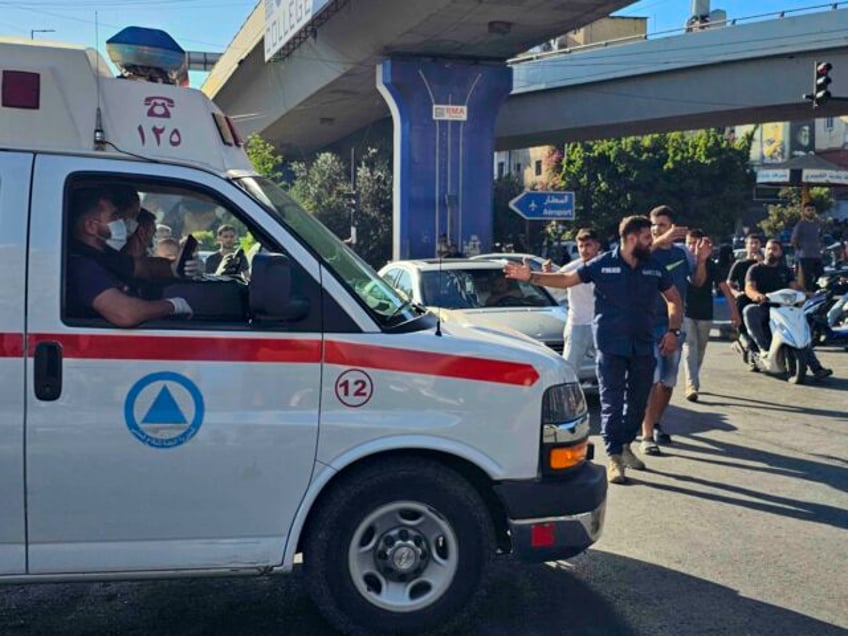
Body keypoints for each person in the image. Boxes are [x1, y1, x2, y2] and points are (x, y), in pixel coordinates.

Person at [504, 215, 683, 485]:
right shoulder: (603, 264)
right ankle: (614, 457)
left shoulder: (653, 267)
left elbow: (674, 299)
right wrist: (531, 276)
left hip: (644, 345)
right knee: (611, 402)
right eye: (647, 237)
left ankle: (625, 446)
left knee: (637, 404)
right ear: (631, 239)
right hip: (610, 346)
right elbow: (566, 280)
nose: (651, 242)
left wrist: (673, 331)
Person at [67, 187, 198, 327]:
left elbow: (144, 267)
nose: (122, 222)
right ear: (91, 226)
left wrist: (173, 267)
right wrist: (174, 305)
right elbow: (125, 313)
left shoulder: (107, 256)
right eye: (115, 217)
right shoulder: (82, 266)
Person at [640, 206, 709, 454]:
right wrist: (659, 241)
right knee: (652, 379)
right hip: (647, 324)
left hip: (673, 324)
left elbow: (698, 281)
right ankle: (646, 436)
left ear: (673, 226)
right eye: (654, 225)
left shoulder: (682, 253)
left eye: (662, 224)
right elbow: (635, 257)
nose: (657, 229)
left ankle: (655, 422)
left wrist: (701, 260)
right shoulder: (647, 251)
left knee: (667, 382)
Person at [743, 239, 832, 380]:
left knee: (801, 331)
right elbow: (749, 287)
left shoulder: (785, 271)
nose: (770, 251)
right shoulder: (755, 269)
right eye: (768, 249)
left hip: (784, 308)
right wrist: (757, 296)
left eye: (774, 249)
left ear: (780, 252)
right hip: (765, 307)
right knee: (749, 311)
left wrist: (809, 294)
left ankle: (817, 368)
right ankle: (764, 348)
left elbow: (795, 287)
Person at [682, 229, 740, 402]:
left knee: (699, 350)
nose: (693, 247)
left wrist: (734, 312)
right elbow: (695, 281)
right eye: (689, 243)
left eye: (696, 243)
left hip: (706, 314)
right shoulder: (684, 262)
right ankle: (691, 385)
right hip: (686, 313)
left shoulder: (712, 266)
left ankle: (693, 379)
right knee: (689, 347)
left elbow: (725, 289)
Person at [542, 228, 601, 373]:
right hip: (577, 325)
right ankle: (566, 395)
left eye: (588, 245)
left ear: (597, 245)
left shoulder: (608, 265)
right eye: (580, 246)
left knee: (607, 368)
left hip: (602, 324)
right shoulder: (571, 269)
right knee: (568, 369)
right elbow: (555, 288)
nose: (584, 250)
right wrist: (548, 274)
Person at [792, 202, 824, 292]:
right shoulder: (800, 225)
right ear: (804, 212)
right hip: (805, 256)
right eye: (808, 210)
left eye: (812, 210)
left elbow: (821, 237)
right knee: (807, 280)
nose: (810, 212)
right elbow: (794, 240)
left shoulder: (818, 224)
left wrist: (821, 247)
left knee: (821, 278)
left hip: (817, 256)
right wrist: (801, 250)